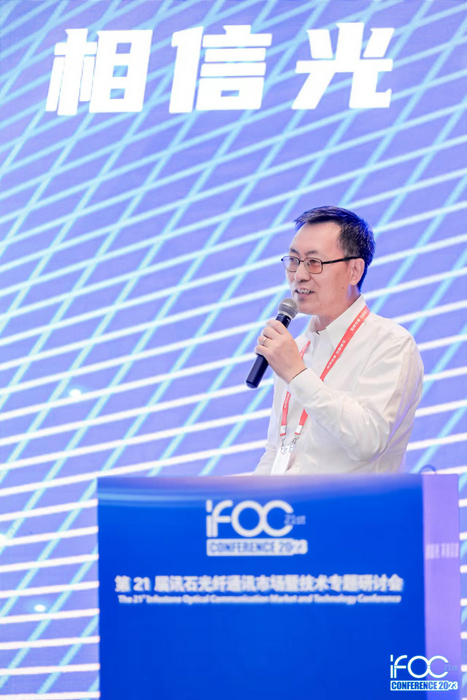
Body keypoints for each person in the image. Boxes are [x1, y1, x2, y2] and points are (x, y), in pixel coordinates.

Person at [254, 205, 423, 475]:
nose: (299, 275)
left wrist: (297, 374)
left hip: (352, 503)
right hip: (289, 502)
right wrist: (250, 497)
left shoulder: (391, 343)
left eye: (314, 262)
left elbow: (369, 440)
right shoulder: (297, 349)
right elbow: (277, 450)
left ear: (354, 270)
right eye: (294, 260)